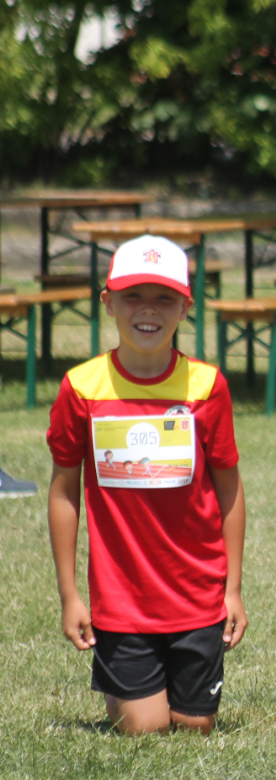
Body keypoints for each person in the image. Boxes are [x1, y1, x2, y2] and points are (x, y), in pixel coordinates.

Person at [46, 235, 247, 735]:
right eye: (134, 296)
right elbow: (64, 492)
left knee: (195, 726)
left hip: (197, 593)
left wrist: (233, 589)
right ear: (108, 302)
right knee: (147, 729)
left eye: (164, 298)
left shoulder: (206, 386)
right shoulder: (82, 388)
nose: (148, 311)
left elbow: (230, 489)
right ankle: (129, 694)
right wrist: (71, 594)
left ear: (185, 307)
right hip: (121, 598)